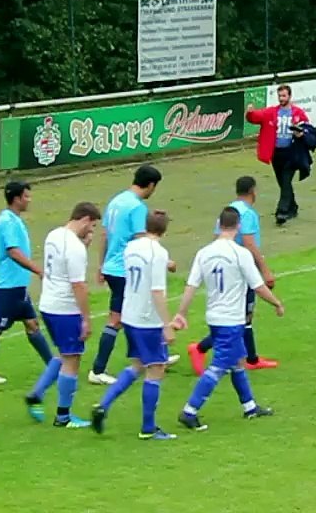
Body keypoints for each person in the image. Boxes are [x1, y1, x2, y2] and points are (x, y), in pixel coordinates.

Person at [175, 206, 283, 431]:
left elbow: (191, 286)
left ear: (218, 224)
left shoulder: (203, 253)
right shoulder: (240, 253)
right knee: (219, 366)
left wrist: (181, 313)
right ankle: (190, 410)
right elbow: (259, 286)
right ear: (239, 226)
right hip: (232, 320)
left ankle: (250, 407)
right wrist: (277, 303)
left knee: (237, 362)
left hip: (214, 317)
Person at [91, 210, 178, 440]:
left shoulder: (132, 247)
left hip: (129, 314)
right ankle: (148, 428)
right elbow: (157, 291)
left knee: (138, 365)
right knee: (156, 368)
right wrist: (166, 324)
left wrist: (166, 262)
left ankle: (103, 405)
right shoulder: (158, 252)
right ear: (164, 230)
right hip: (148, 319)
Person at [91, 165, 177, 385]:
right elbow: (143, 240)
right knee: (120, 318)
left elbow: (105, 235)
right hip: (125, 269)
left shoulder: (116, 201)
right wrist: (164, 262)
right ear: (151, 185)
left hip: (112, 266)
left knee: (143, 309)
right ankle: (98, 370)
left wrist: (100, 265)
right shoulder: (137, 207)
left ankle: (158, 356)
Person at [186, 176, 278, 374]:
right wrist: (265, 270)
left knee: (245, 315)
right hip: (240, 268)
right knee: (241, 316)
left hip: (226, 268)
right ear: (253, 191)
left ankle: (251, 358)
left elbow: (216, 238)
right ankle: (201, 348)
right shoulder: (247, 214)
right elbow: (249, 242)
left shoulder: (226, 211)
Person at [26, 202, 103, 429]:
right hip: (65, 308)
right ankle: (63, 416)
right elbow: (78, 285)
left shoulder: (54, 235)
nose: (92, 231)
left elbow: (61, 266)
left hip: (48, 304)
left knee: (63, 354)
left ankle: (37, 394)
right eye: (92, 226)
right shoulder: (75, 248)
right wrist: (86, 319)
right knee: (72, 359)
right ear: (85, 219)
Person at [0, 181, 53, 384]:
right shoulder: (8, 222)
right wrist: (38, 270)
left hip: (17, 285)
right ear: (16, 198)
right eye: (26, 196)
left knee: (32, 324)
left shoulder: (13, 219)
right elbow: (13, 252)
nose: (29, 200)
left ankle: (53, 366)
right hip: (6, 286)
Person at [245, 84, 311, 226]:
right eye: (279, 96)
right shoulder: (271, 112)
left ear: (289, 96)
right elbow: (255, 117)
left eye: (284, 96)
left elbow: (307, 128)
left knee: (286, 181)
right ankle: (293, 207)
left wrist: (301, 133)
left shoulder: (298, 113)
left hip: (291, 152)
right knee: (282, 182)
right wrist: (250, 113)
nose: (281, 99)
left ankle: (282, 212)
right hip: (276, 153)